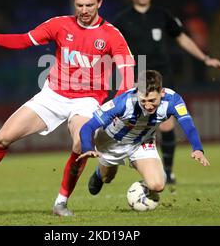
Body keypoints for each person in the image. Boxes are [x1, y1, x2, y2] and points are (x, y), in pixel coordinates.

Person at [0, 0, 135, 216]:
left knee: (79, 144)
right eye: (80, 5)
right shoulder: (59, 25)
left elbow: (127, 73)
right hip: (52, 95)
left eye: (89, 5)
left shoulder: (111, 35)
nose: (84, 11)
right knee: (2, 138)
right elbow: (24, 39)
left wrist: (120, 105)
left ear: (100, 3)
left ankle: (61, 203)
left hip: (87, 101)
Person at [112, 0, 220, 186]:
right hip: (137, 78)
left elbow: (181, 37)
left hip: (163, 75)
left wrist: (205, 57)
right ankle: (122, 163)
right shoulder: (122, 19)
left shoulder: (161, 15)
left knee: (166, 124)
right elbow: (110, 47)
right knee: (131, 123)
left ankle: (168, 172)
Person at [77, 70, 210, 197]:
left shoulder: (173, 101)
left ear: (162, 93)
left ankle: (139, 195)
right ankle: (99, 174)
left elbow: (187, 124)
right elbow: (87, 127)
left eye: (152, 100)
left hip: (142, 141)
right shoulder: (123, 102)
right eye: (143, 101)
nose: (148, 106)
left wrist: (197, 149)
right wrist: (87, 148)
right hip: (112, 141)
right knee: (107, 178)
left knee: (158, 185)